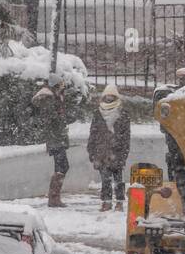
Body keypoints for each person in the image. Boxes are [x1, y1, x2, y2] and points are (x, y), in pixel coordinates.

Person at [31, 72, 76, 208]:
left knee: (61, 167)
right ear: (55, 85)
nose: (62, 87)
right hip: (55, 138)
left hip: (56, 137)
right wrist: (62, 118)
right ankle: (53, 197)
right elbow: (51, 118)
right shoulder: (49, 99)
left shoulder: (54, 97)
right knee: (62, 166)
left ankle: (54, 197)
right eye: (60, 85)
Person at [87, 83, 131, 211]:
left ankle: (119, 202)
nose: (109, 98)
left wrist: (124, 152)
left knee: (118, 178)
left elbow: (126, 136)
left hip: (117, 151)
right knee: (105, 178)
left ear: (116, 97)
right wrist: (91, 150)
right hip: (102, 151)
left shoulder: (123, 113)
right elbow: (93, 132)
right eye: (107, 95)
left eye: (112, 95)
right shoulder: (98, 113)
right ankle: (106, 202)